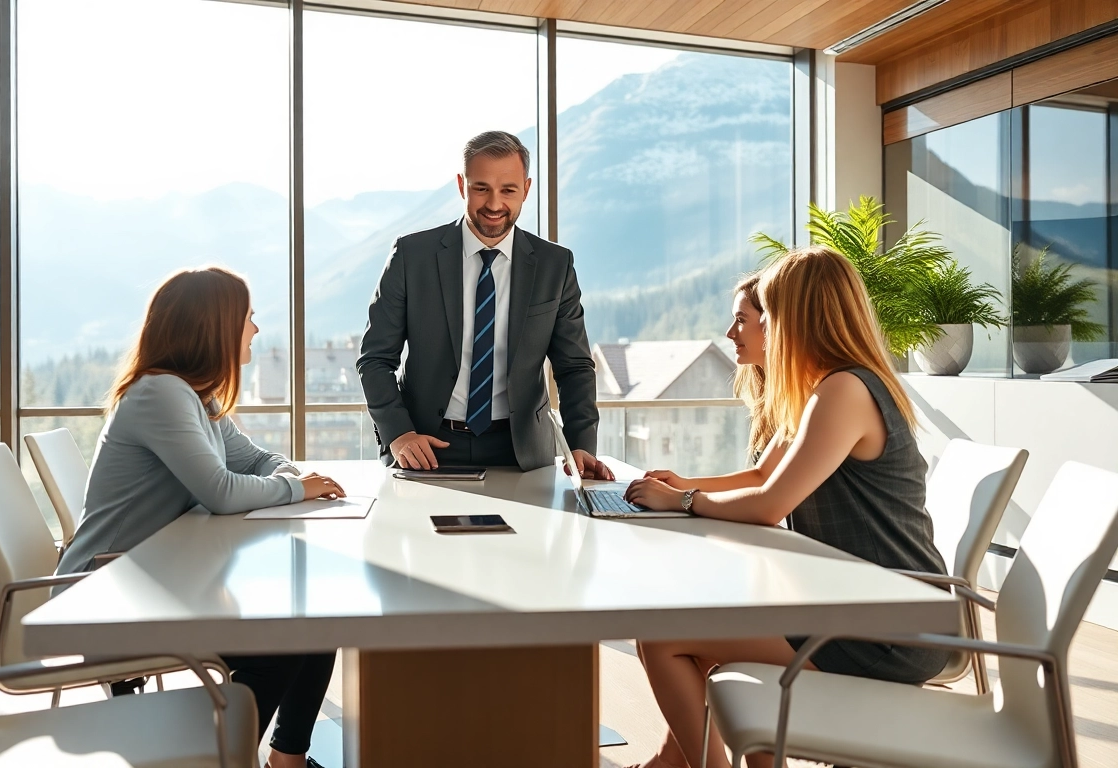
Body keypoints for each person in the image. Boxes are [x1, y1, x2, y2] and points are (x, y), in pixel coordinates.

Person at [621, 247, 950, 768]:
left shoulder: (844, 390)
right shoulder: (827, 387)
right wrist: (683, 487)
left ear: (800, 316)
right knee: (695, 629)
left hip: (889, 630)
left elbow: (770, 503)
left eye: (768, 312)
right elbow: (763, 476)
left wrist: (683, 500)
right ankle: (674, 763)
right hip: (861, 607)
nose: (760, 325)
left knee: (661, 638)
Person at [56, 266, 341, 768]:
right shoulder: (160, 394)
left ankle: (286, 759)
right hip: (111, 590)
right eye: (248, 318)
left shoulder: (196, 394)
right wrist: (298, 487)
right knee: (286, 643)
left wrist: (292, 475)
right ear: (216, 327)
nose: (254, 329)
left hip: (161, 576)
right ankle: (222, 758)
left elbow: (252, 459)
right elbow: (221, 491)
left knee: (312, 622)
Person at [357, 130, 611, 477]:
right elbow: (375, 359)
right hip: (426, 446)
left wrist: (581, 443)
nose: (494, 204)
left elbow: (575, 367)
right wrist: (398, 433)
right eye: (481, 188)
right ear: (462, 185)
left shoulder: (555, 265)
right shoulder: (411, 256)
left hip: (521, 451)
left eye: (508, 190)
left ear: (526, 188)